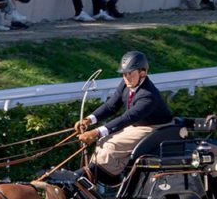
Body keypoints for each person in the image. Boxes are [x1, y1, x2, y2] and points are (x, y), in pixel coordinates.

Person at [74, 51, 173, 186]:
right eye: (124, 74)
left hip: (154, 127)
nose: (126, 78)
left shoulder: (148, 95)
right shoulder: (126, 83)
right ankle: (90, 180)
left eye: (130, 73)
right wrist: (89, 119)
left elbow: (127, 117)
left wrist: (95, 132)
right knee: (102, 141)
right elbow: (111, 106)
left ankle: (114, 180)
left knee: (110, 146)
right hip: (137, 123)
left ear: (142, 73)